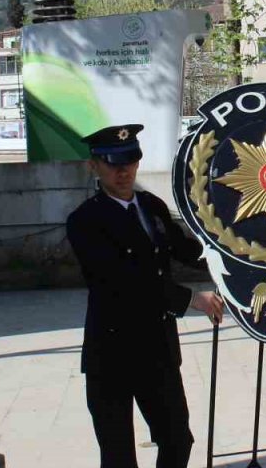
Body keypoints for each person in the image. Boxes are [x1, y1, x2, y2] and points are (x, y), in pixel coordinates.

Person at [66, 124, 225, 468]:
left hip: (157, 349)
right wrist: (190, 299)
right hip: (111, 352)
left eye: (129, 160)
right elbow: (120, 282)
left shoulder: (151, 206)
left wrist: (229, 254)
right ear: (93, 166)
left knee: (177, 439)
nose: (123, 171)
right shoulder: (84, 221)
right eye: (112, 163)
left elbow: (189, 251)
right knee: (118, 453)